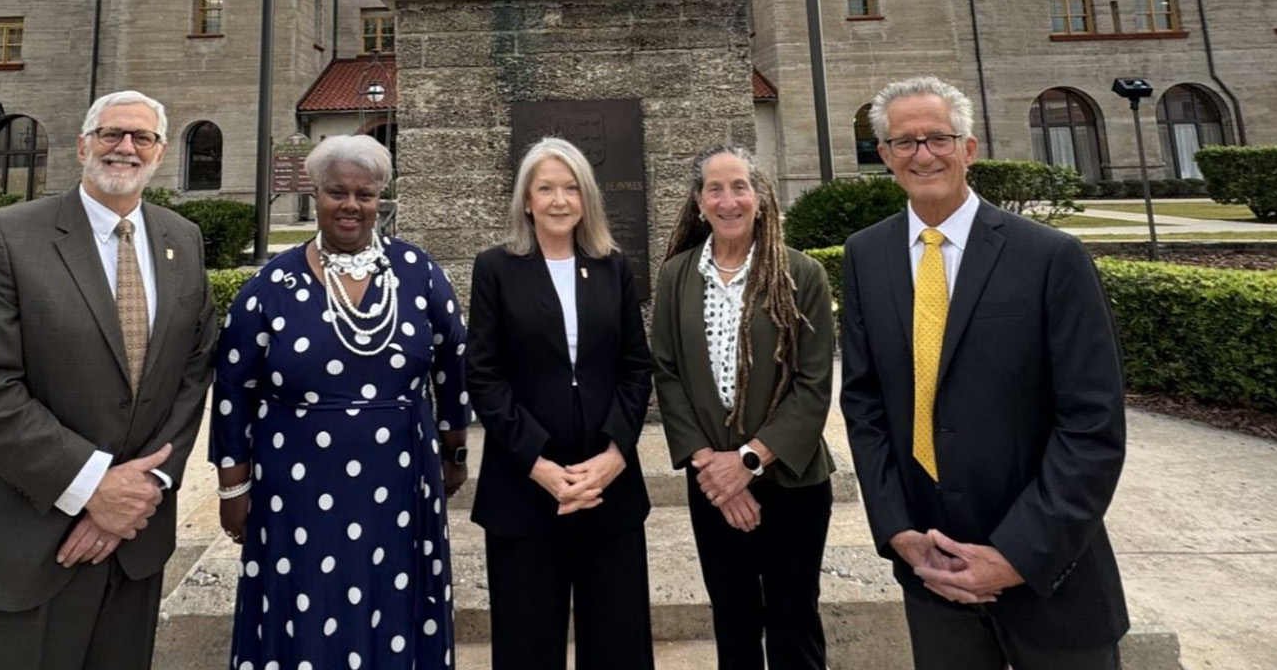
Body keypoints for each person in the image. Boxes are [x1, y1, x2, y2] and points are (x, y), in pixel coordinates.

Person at [0, 90, 217, 670]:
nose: (125, 147)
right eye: (111, 134)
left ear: (159, 156)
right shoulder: (6, 238)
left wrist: (142, 490)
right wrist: (92, 488)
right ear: (83, 146)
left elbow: (194, 367)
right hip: (28, 536)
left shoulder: (182, 239)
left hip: (137, 538)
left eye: (142, 138)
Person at [840, 76, 1129, 669]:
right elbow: (865, 404)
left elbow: (1092, 425)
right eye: (904, 143)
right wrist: (898, 531)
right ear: (886, 157)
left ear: (969, 148)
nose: (923, 154)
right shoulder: (865, 256)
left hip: (1049, 576)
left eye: (938, 138)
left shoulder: (1051, 257)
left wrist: (1017, 554)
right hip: (932, 571)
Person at [211, 134, 470, 669]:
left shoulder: (417, 272)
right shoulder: (270, 285)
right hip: (297, 485)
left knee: (392, 596)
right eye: (337, 192)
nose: (351, 205)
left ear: (380, 199)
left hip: (401, 478)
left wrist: (454, 450)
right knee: (307, 602)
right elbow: (234, 390)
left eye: (365, 194)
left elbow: (453, 361)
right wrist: (233, 486)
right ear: (316, 194)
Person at [465, 137, 654, 670]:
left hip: (607, 489)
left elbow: (635, 369)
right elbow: (484, 375)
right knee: (528, 644)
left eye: (571, 188)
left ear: (586, 198)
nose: (558, 200)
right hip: (525, 490)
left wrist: (616, 453)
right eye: (545, 188)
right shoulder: (495, 268)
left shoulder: (611, 265)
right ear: (526, 199)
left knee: (618, 643)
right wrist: (538, 464)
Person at [651, 144, 836, 670]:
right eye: (715, 188)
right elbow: (667, 372)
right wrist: (711, 466)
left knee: (793, 622)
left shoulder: (801, 275)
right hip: (711, 482)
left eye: (740, 187)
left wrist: (749, 462)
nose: (728, 200)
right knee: (732, 623)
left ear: (760, 197)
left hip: (792, 482)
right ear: (698, 201)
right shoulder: (677, 276)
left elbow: (813, 383)